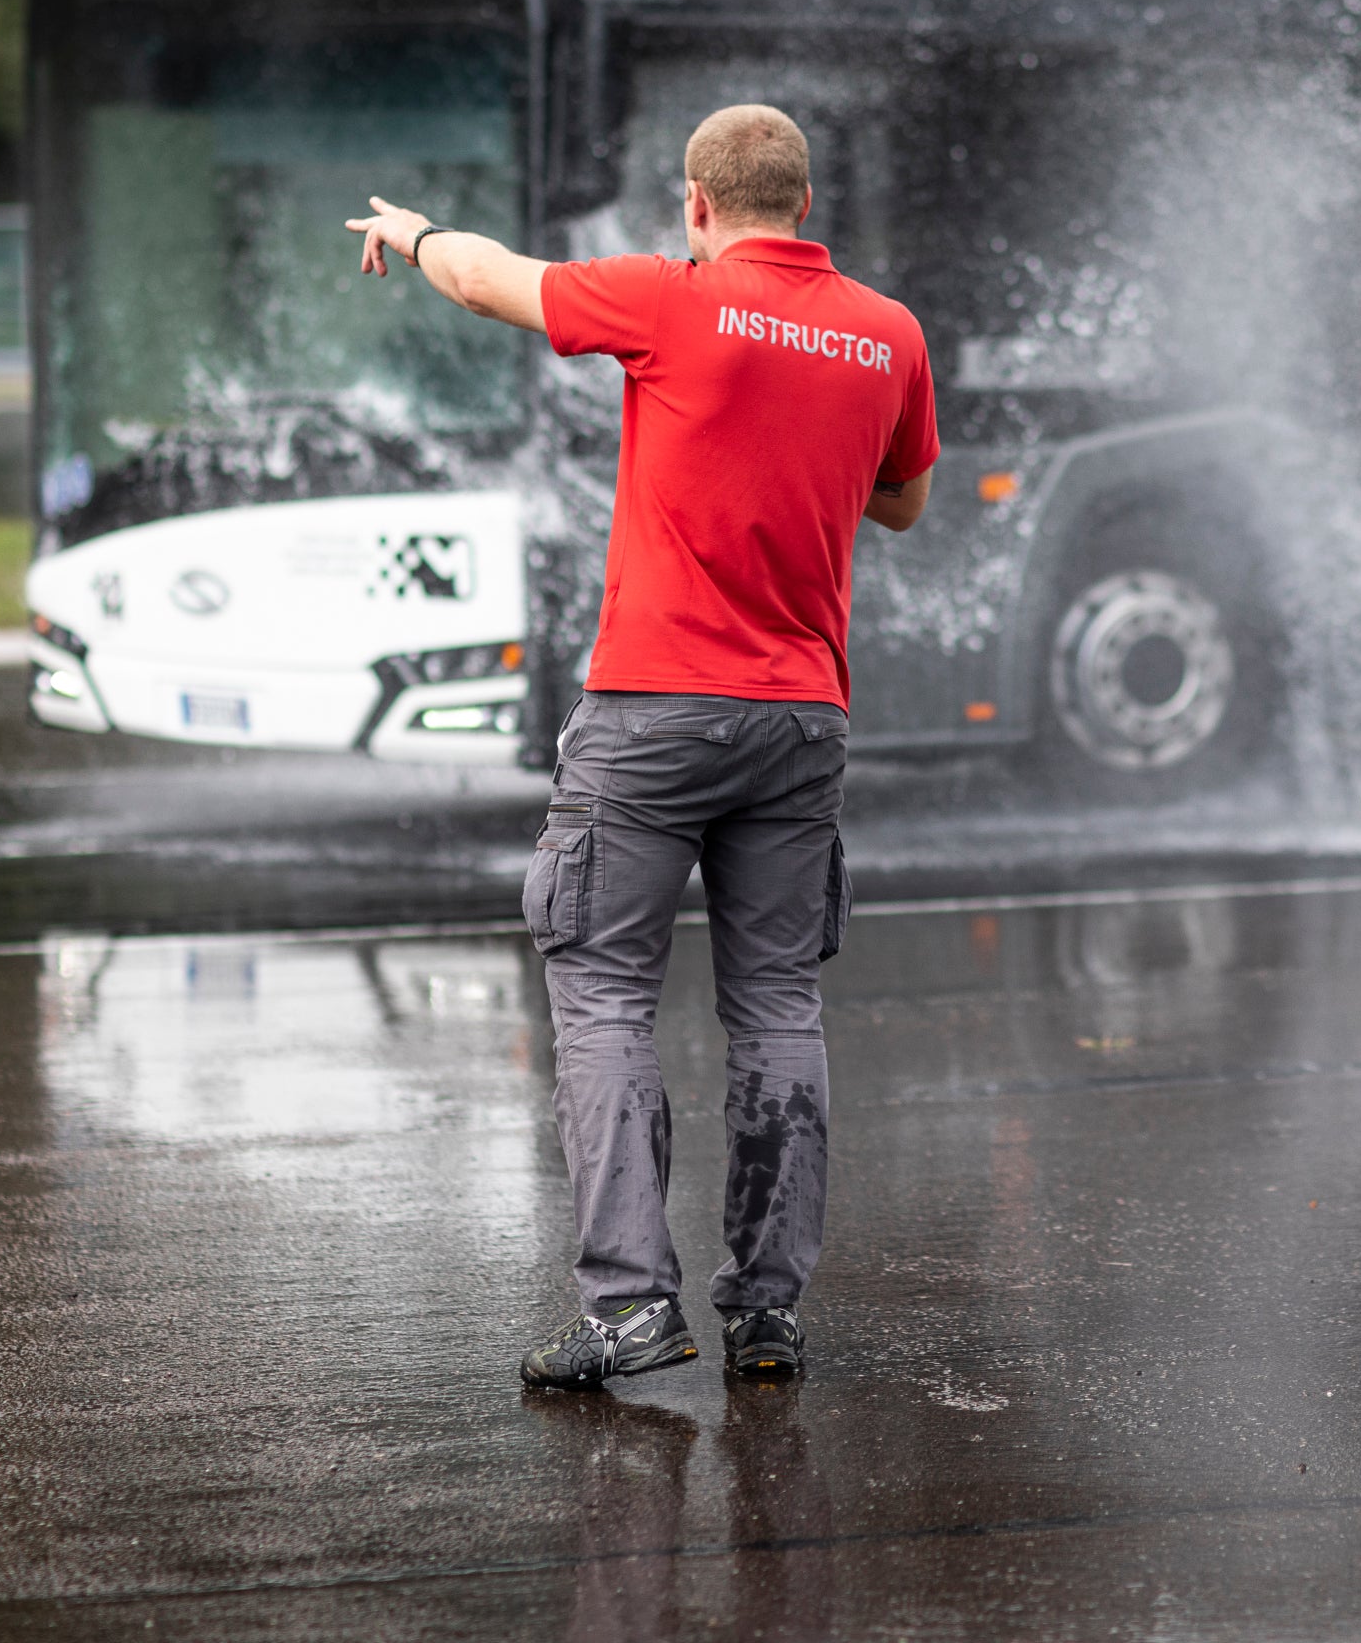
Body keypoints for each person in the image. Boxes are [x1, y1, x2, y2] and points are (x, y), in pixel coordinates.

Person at [346, 104, 938, 1388]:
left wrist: (415, 228)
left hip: (655, 711)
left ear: (698, 203)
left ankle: (628, 1306)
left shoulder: (668, 300)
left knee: (606, 991)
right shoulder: (887, 332)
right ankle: (767, 1311)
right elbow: (903, 497)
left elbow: (488, 278)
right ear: (808, 195)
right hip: (803, 715)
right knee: (779, 1003)